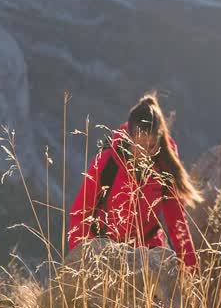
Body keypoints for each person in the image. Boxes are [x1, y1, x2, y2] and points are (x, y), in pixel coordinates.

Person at [67, 93, 203, 268]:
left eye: (150, 146)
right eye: (138, 145)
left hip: (147, 253)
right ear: (129, 136)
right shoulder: (108, 160)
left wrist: (190, 269)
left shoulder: (165, 166)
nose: (144, 152)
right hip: (104, 251)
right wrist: (81, 262)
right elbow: (80, 213)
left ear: (159, 140)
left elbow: (177, 222)